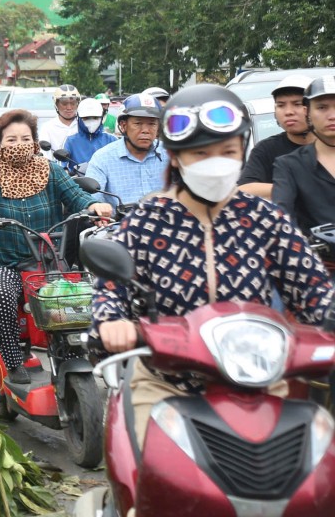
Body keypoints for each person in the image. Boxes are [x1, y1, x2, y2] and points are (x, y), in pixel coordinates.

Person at [92, 84, 333, 447]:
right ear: (175, 157)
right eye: (201, 153)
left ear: (242, 153)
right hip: (166, 383)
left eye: (227, 151)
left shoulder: (265, 218)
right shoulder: (148, 218)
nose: (215, 162)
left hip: (260, 379)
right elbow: (112, 286)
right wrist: (111, 322)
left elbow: (313, 287)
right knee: (149, 474)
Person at [0, 110, 113, 384]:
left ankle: (71, 350)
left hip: (49, 259)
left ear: (34, 141)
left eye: (25, 138)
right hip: (5, 261)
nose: (19, 144)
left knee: (78, 300)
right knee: (1, 297)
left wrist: (93, 205)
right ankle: (12, 359)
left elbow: (76, 196)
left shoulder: (51, 169)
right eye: (11, 139)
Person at [273, 76, 335, 236]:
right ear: (307, 112)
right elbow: (283, 218)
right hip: (316, 259)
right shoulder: (289, 165)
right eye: (322, 107)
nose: (332, 115)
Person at [237, 74, 313, 199]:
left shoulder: (328, 146)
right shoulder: (266, 149)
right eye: (281, 105)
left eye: (297, 104)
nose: (288, 112)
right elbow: (244, 189)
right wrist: (292, 187)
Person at [86, 93, 168, 208]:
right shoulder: (103, 158)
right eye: (138, 123)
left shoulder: (171, 155)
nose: (145, 130)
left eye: (152, 124)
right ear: (123, 125)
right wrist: (97, 207)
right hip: (119, 224)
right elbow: (92, 199)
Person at [62, 97, 117, 172]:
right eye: (86, 118)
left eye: (95, 118)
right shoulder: (70, 141)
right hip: (77, 182)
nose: (91, 122)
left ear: (101, 118)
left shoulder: (111, 140)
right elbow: (62, 165)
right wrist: (66, 171)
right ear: (79, 118)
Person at [40, 85, 83, 152]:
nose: (69, 107)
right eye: (64, 103)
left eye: (73, 103)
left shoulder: (84, 125)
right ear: (56, 104)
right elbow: (45, 154)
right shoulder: (47, 128)